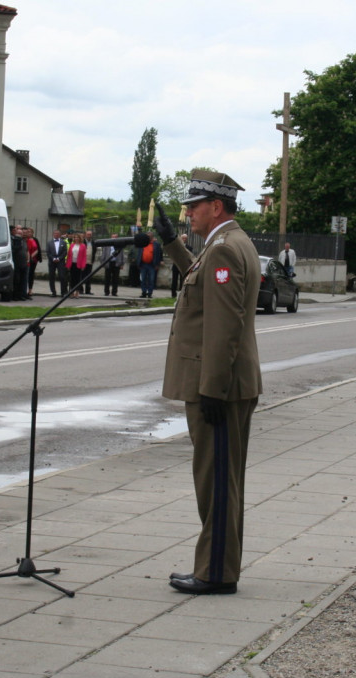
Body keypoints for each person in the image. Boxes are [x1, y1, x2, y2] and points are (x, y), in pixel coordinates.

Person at [153, 170, 261, 596]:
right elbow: (204, 286)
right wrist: (170, 244)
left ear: (216, 206)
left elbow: (223, 325)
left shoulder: (224, 250)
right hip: (231, 383)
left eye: (194, 206)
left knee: (216, 483)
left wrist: (212, 388)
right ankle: (218, 566)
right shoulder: (231, 244)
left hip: (219, 387)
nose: (188, 212)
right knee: (221, 480)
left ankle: (215, 573)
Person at [137, 231, 162, 298]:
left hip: (152, 265)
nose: (148, 237)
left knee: (151, 279)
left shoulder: (156, 244)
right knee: (143, 279)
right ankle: (144, 292)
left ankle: (150, 293)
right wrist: (138, 263)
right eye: (147, 236)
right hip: (143, 264)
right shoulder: (142, 243)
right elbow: (139, 253)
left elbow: (159, 254)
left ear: (152, 237)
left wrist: (157, 264)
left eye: (149, 236)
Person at [46, 229, 68, 297]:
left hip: (60, 262)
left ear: (60, 235)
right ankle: (53, 292)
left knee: (62, 277)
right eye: (55, 233)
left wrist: (59, 258)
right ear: (53, 234)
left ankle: (63, 292)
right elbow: (48, 252)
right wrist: (53, 258)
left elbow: (65, 252)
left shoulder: (63, 242)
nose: (56, 235)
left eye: (58, 234)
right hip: (52, 262)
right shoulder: (49, 243)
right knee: (51, 277)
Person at [65, 232, 87, 298]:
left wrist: (83, 265)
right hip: (72, 264)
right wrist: (68, 265)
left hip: (79, 264)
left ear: (80, 238)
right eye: (75, 237)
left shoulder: (83, 245)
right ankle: (71, 292)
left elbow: (84, 256)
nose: (76, 238)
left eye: (77, 237)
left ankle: (77, 292)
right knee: (72, 279)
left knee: (78, 279)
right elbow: (69, 255)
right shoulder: (72, 245)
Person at [10, 225, 29, 300]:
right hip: (17, 263)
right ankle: (15, 295)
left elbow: (26, 251)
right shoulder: (15, 240)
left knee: (22, 280)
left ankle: (21, 295)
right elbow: (15, 250)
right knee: (16, 280)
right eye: (19, 233)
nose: (20, 235)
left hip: (23, 264)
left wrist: (27, 259)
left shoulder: (23, 241)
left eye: (21, 234)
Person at [25, 229, 41, 297]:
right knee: (26, 274)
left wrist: (32, 256)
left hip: (34, 260)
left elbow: (38, 249)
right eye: (27, 232)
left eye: (30, 232)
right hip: (27, 259)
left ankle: (30, 289)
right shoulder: (25, 240)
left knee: (31, 274)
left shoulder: (35, 239)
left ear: (32, 233)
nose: (29, 233)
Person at [82, 230, 96, 295]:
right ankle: (80, 290)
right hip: (83, 262)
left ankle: (88, 290)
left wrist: (93, 260)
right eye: (88, 234)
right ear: (85, 235)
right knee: (81, 276)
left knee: (89, 277)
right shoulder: (82, 242)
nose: (89, 236)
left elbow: (94, 251)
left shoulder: (93, 242)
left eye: (90, 234)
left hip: (90, 262)